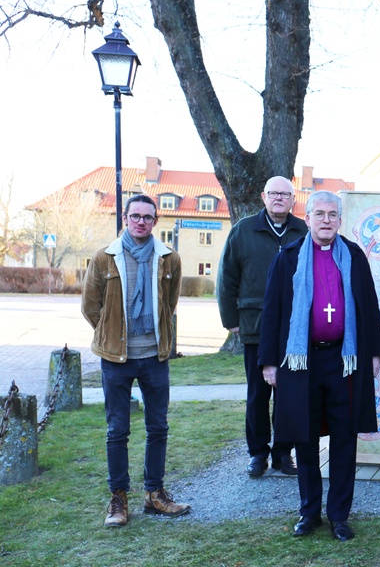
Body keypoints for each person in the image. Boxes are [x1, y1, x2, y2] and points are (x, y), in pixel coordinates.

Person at [258, 191, 380, 541]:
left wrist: (375, 353)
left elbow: (369, 307)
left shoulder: (355, 257)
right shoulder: (288, 258)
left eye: (332, 214)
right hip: (302, 361)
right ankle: (309, 512)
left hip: (345, 360)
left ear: (340, 219)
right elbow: (272, 312)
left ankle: (339, 515)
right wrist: (270, 361)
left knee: (345, 437)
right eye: (319, 213)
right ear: (308, 218)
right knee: (305, 436)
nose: (326, 220)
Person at [82, 195, 191, 527]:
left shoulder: (168, 259)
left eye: (148, 217)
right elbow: (91, 306)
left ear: (155, 222)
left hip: (154, 356)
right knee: (118, 429)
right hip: (117, 357)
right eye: (136, 216)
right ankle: (119, 499)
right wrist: (113, 334)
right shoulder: (105, 258)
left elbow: (168, 305)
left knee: (158, 427)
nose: (141, 222)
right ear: (125, 219)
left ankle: (154, 494)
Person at [217, 175, 308, 478]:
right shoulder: (243, 231)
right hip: (255, 325)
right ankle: (258, 453)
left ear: (293, 199)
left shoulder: (303, 231)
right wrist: (231, 321)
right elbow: (227, 278)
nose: (279, 198)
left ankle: (283, 453)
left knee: (288, 394)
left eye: (285, 194)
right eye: (274, 193)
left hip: (295, 329)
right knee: (258, 394)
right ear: (263, 197)